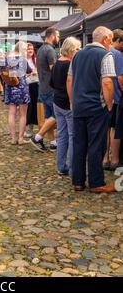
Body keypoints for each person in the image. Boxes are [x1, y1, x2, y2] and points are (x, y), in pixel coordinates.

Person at [67, 26, 116, 193]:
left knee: (79, 144)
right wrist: (109, 104)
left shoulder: (77, 55)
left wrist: (73, 101)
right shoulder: (105, 55)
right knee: (96, 144)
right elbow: (107, 82)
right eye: (110, 38)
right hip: (97, 106)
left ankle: (78, 182)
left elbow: (69, 79)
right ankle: (96, 182)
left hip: (79, 106)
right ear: (105, 39)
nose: (111, 42)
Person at [50, 37, 81, 176]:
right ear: (70, 50)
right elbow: (73, 83)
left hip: (57, 102)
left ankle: (61, 166)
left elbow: (52, 83)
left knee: (62, 135)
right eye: (76, 49)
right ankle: (74, 169)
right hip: (68, 103)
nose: (78, 51)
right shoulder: (71, 64)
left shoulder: (57, 63)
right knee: (72, 136)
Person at [30, 28, 59, 151]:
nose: (58, 38)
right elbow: (54, 70)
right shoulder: (50, 50)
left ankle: (53, 143)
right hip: (50, 88)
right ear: (52, 36)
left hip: (42, 87)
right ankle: (37, 137)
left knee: (49, 117)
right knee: (56, 115)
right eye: (57, 35)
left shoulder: (41, 49)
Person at [103, 29, 123, 171]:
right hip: (116, 97)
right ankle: (115, 159)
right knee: (115, 129)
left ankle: (104, 159)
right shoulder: (117, 55)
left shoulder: (101, 52)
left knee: (105, 128)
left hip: (102, 97)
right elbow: (120, 77)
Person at [4, 42, 31, 145]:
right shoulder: (23, 60)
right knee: (23, 115)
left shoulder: (8, 59)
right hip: (22, 87)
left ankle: (13, 138)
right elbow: (28, 70)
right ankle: (20, 138)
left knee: (11, 113)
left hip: (11, 88)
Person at [25, 43, 39, 137]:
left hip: (36, 85)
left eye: (32, 49)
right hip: (27, 86)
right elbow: (19, 75)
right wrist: (31, 74)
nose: (30, 50)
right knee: (29, 107)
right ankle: (28, 129)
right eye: (28, 49)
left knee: (35, 106)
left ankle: (34, 127)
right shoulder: (22, 61)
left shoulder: (35, 60)